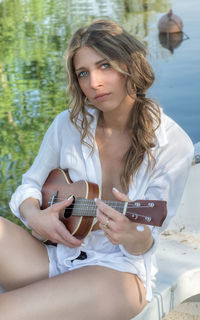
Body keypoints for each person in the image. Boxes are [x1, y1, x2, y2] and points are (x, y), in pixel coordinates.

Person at [0, 19, 194, 320]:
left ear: (129, 63)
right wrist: (34, 216)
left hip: (117, 274)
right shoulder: (67, 125)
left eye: (105, 66)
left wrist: (131, 234)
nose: (94, 83)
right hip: (56, 256)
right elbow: (29, 185)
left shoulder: (173, 144)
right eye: (83, 73)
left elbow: (148, 236)